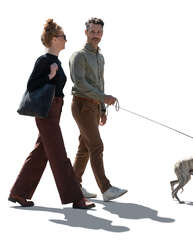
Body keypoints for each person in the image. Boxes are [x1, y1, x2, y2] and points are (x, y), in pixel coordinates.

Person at [8, 19, 95, 209]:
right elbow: (32, 85)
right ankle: (76, 198)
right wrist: (50, 76)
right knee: (59, 154)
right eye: (63, 36)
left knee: (40, 153)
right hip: (46, 113)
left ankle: (19, 192)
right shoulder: (45, 60)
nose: (66, 39)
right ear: (54, 39)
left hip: (54, 111)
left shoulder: (55, 61)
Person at [69, 17, 127, 201]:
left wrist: (102, 109)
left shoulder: (100, 57)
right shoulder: (78, 56)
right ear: (85, 32)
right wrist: (104, 98)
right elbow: (80, 83)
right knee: (96, 146)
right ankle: (106, 189)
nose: (96, 35)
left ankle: (73, 187)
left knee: (85, 147)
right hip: (82, 104)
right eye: (92, 32)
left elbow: (100, 84)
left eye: (99, 32)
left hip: (94, 107)